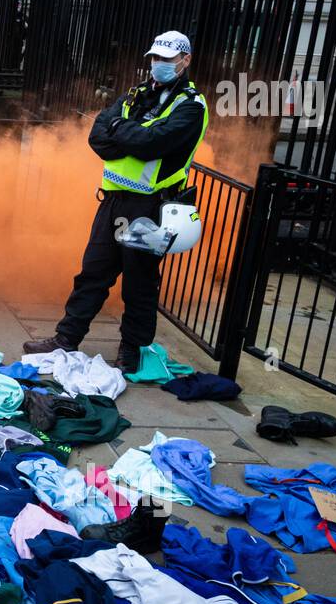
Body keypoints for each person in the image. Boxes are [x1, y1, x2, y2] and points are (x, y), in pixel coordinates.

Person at [25, 30, 209, 374]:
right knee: (92, 273)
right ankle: (66, 339)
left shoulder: (191, 106)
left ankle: (132, 350)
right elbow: (99, 136)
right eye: (155, 58)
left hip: (150, 209)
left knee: (139, 283)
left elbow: (152, 142)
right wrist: (132, 133)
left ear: (185, 61)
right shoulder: (136, 94)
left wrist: (123, 131)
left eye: (167, 59)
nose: (158, 65)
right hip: (113, 203)